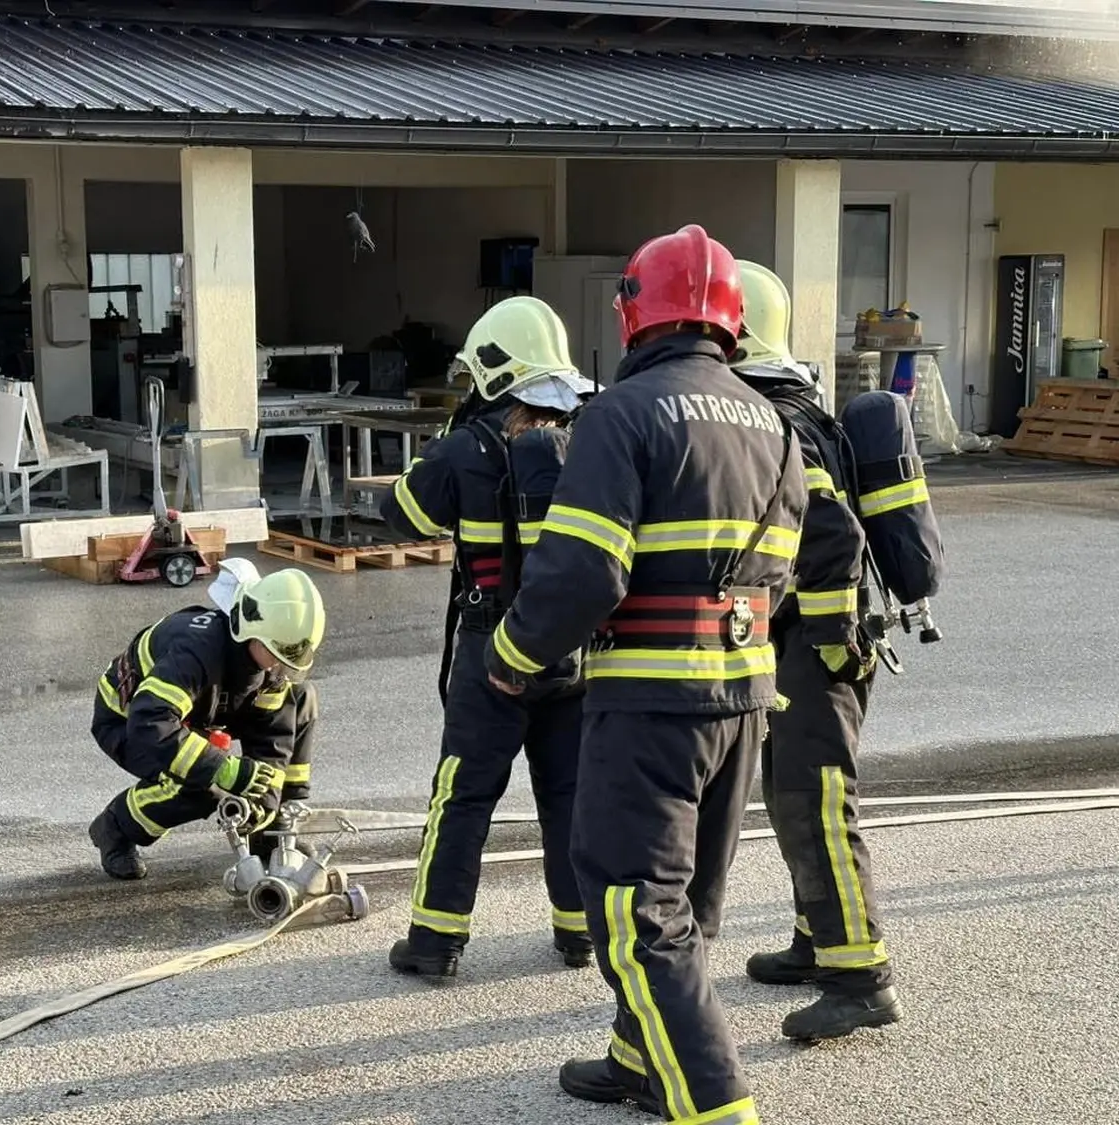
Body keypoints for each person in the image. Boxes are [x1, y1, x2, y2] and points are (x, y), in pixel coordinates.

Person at [484, 225, 808, 1124]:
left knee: (634, 909)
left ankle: (715, 1104)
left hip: (650, 708)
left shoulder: (622, 416)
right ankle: (639, 1059)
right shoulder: (777, 427)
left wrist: (511, 656)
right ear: (731, 323)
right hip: (742, 701)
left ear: (635, 314)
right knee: (688, 901)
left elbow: (583, 572)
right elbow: (786, 569)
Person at [380, 295, 598, 979]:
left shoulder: (467, 446)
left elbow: (401, 512)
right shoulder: (586, 438)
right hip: (568, 645)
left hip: (490, 647)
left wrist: (450, 436)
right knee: (567, 794)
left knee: (465, 794)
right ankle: (578, 932)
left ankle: (436, 940)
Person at [729, 260, 903, 1041]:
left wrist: (828, 642)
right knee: (791, 795)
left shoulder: (780, 422)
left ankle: (858, 976)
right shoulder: (789, 405)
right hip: (804, 643)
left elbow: (831, 532)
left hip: (819, 648)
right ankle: (815, 938)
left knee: (818, 802)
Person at [86, 563, 326, 880]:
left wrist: (264, 804)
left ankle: (274, 833)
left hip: (206, 709)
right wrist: (222, 768)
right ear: (254, 634)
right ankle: (116, 827)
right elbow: (152, 722)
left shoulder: (264, 659)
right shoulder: (197, 651)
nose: (281, 670)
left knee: (300, 698)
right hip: (130, 720)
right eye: (278, 657)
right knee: (204, 785)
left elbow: (272, 736)